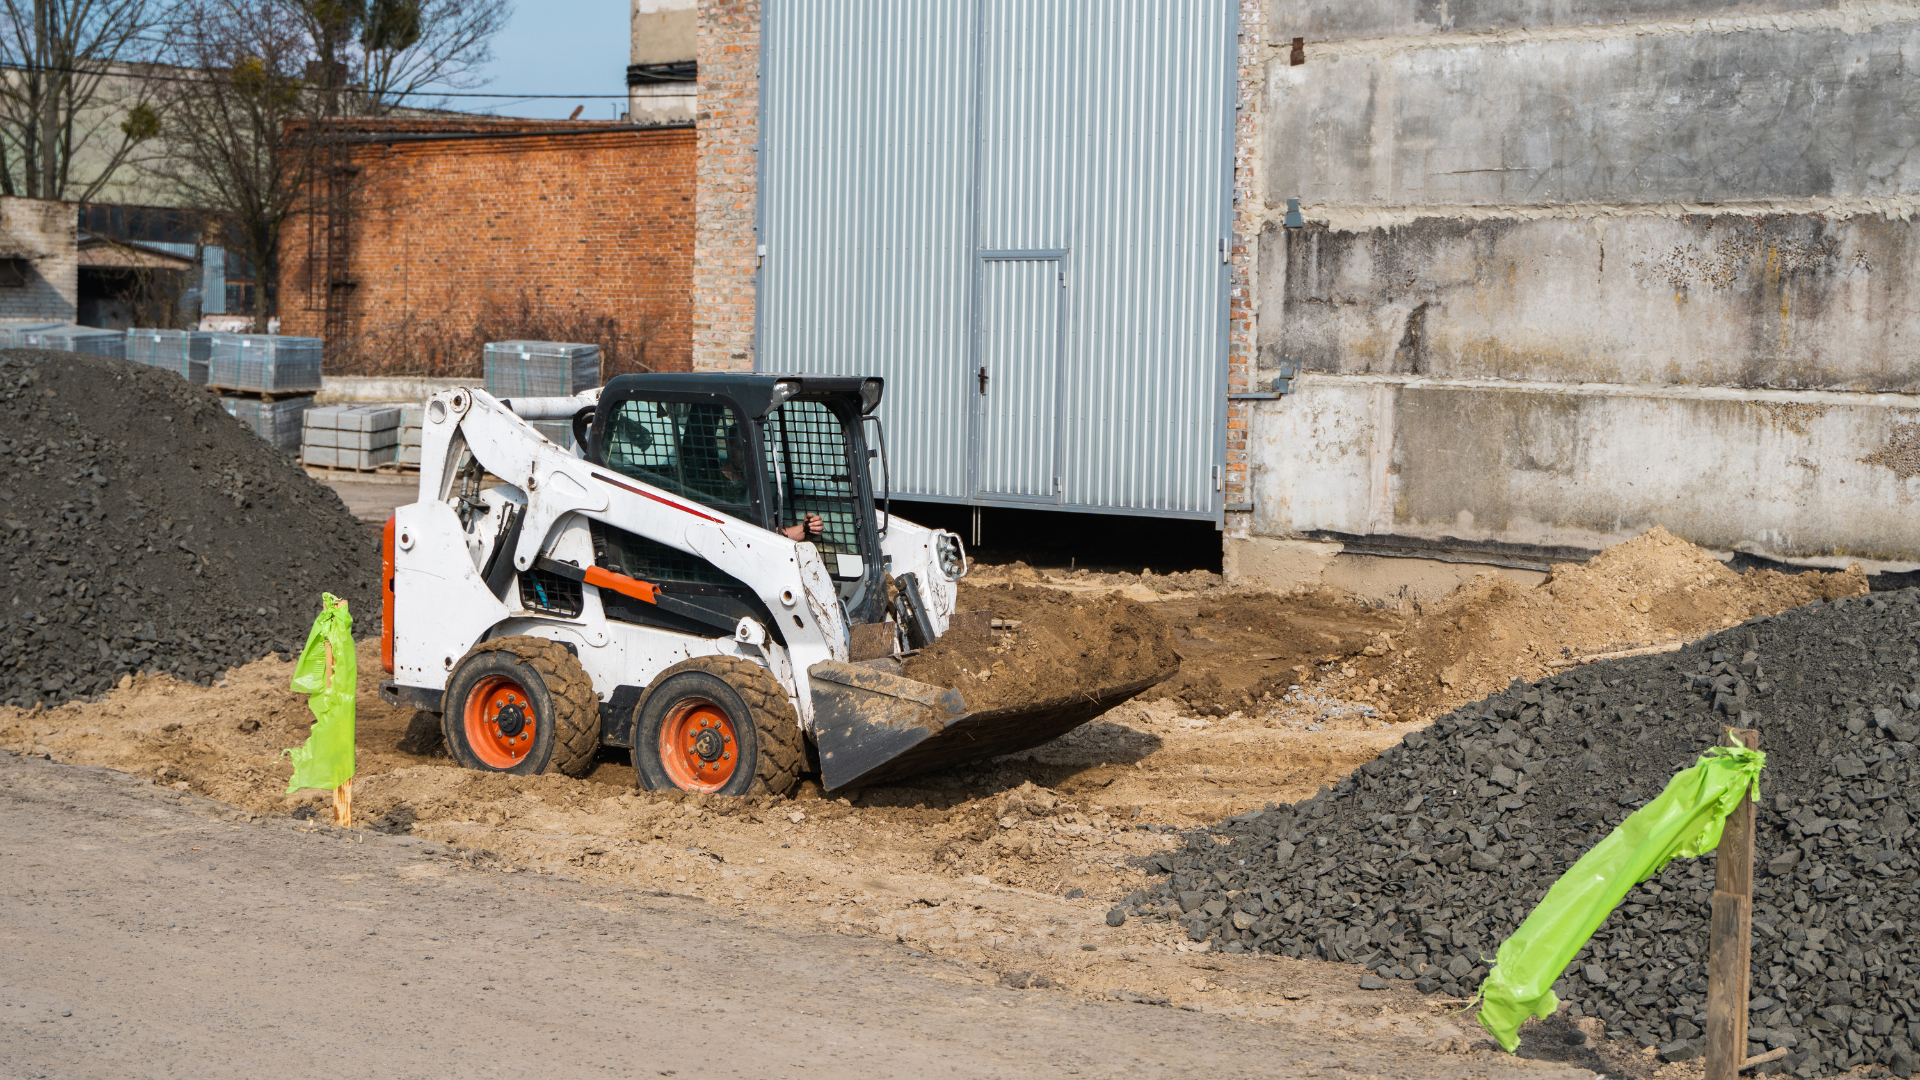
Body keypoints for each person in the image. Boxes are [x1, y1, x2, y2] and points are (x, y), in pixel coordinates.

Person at [720, 424, 824, 542]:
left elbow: (775, 535)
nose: (747, 454)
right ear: (728, 445)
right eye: (741, 448)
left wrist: (807, 528)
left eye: (751, 448)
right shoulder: (711, 484)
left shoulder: (759, 487)